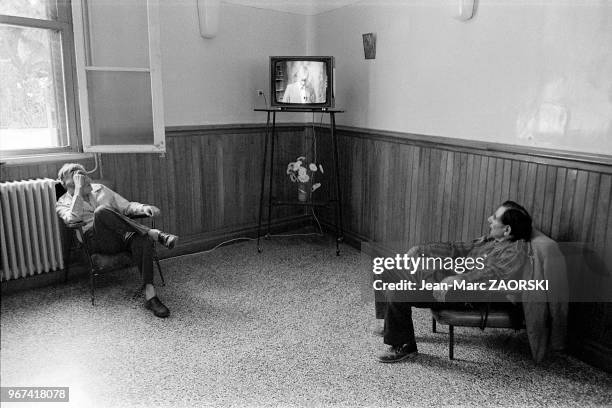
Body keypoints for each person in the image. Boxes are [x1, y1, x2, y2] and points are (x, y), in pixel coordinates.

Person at [377, 201, 532, 363]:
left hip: (466, 296)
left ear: (507, 230)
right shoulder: (491, 240)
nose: (489, 219)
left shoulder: (514, 252)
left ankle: (404, 345)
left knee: (397, 290)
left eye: (494, 218)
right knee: (382, 268)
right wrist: (421, 250)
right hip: (450, 280)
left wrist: (458, 279)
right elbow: (456, 248)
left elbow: (494, 274)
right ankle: (391, 324)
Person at [55, 163, 178, 318]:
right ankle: (154, 233)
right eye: (76, 181)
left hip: (120, 236)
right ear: (66, 185)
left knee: (143, 240)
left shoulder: (100, 189)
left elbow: (125, 206)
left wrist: (143, 208)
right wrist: (78, 191)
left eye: (83, 177)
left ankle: (150, 295)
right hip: (95, 242)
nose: (83, 181)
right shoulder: (62, 202)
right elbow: (72, 220)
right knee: (101, 212)